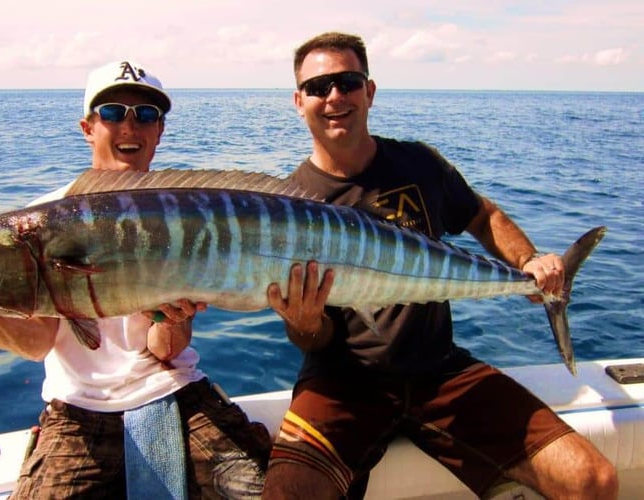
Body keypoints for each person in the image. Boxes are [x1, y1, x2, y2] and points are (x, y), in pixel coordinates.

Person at [262, 32, 618, 500]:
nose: (334, 97)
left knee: (594, 481)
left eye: (347, 82)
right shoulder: (287, 206)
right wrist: (303, 323)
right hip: (342, 381)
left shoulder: (418, 164)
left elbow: (481, 214)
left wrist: (528, 261)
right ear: (298, 101)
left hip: (440, 371)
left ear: (369, 91)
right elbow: (314, 337)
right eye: (318, 87)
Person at [0, 60, 270, 499]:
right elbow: (38, 342)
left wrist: (173, 318)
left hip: (175, 392)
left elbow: (165, 350)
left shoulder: (182, 216)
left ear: (159, 132)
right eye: (114, 113)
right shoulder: (41, 220)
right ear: (88, 127)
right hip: (77, 412)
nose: (130, 126)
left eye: (147, 115)